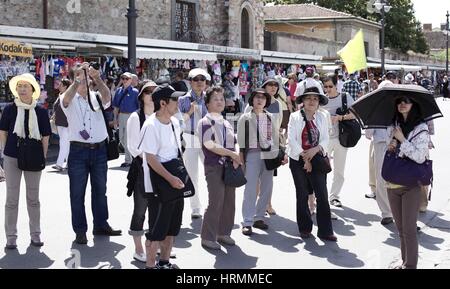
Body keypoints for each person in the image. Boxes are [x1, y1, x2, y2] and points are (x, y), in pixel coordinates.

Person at [61, 62, 121, 244]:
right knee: (77, 193)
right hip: (78, 151)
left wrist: (97, 78)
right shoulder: (68, 97)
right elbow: (65, 100)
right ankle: (80, 230)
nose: (83, 78)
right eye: (79, 75)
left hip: (100, 150)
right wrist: (77, 80)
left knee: (100, 191)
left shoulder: (95, 96)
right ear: (72, 78)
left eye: (85, 75)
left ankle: (101, 224)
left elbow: (108, 98)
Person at [0, 73, 51, 249]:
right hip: (12, 157)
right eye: (19, 86)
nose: (22, 89)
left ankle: (35, 234)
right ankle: (11, 237)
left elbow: (45, 137)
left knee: (33, 198)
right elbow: (3, 133)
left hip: (34, 158)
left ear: (33, 90)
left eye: (25, 86)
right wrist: (5, 154)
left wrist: (43, 157)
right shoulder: (9, 109)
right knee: (11, 199)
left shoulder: (41, 111)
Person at [140, 84, 185, 269]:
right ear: (163, 103)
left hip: (174, 181)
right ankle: (151, 265)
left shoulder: (174, 122)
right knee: (156, 231)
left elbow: (176, 152)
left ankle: (164, 263)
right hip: (159, 184)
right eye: (174, 99)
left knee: (172, 227)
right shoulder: (151, 125)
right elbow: (150, 158)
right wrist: (171, 179)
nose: (178, 103)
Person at [384, 95, 431, 269]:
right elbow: (391, 152)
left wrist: (402, 139)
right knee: (401, 229)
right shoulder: (394, 126)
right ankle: (405, 263)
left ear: (413, 105)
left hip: (411, 184)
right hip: (393, 183)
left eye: (406, 101)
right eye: (399, 101)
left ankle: (410, 265)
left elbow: (419, 157)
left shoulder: (421, 129)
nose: (402, 104)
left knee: (409, 230)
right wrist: (391, 145)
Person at [287, 85, 337, 242]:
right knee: (302, 194)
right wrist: (305, 157)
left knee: (322, 195)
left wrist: (315, 150)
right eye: (308, 98)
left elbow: (326, 138)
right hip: (298, 159)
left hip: (317, 158)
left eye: (315, 98)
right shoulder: (295, 117)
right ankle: (304, 227)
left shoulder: (322, 117)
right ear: (302, 100)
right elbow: (292, 139)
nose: (312, 101)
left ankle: (325, 231)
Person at [238, 88, 287, 236]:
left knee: (267, 188)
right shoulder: (245, 117)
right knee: (250, 189)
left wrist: (281, 154)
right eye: (257, 97)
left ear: (266, 102)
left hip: (269, 155)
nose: (260, 100)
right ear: (252, 100)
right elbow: (241, 141)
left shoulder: (271, 116)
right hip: (252, 155)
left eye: (263, 98)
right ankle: (247, 221)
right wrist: (241, 159)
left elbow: (277, 137)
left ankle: (259, 217)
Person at [197, 86, 241, 250]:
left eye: (221, 99)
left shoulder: (226, 122)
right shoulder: (204, 121)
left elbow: (233, 143)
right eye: (215, 99)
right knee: (216, 200)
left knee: (229, 201)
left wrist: (235, 157)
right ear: (207, 103)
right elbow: (210, 145)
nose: (219, 102)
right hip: (214, 166)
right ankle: (208, 236)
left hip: (229, 166)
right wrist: (232, 155)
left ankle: (224, 233)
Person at [126, 80, 157, 263]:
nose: (151, 95)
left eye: (154, 91)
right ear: (142, 96)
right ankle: (138, 248)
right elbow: (133, 146)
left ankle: (154, 247)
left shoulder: (162, 116)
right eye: (148, 92)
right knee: (140, 209)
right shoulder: (135, 117)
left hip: (160, 169)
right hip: (142, 168)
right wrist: (151, 157)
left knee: (158, 209)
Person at [178, 68, 210, 219]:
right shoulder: (182, 100)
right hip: (189, 137)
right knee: (192, 174)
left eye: (202, 80)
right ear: (190, 82)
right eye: (196, 79)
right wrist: (190, 112)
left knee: (212, 171)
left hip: (207, 138)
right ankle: (195, 207)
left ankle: (213, 204)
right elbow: (178, 121)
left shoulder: (210, 98)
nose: (199, 82)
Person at [322, 74, 356, 208]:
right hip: (324, 139)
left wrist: (340, 118)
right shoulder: (322, 100)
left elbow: (355, 114)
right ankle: (322, 196)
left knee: (339, 170)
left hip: (341, 138)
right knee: (322, 169)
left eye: (330, 86)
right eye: (325, 87)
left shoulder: (345, 97)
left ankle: (334, 196)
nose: (328, 89)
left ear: (336, 85)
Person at [113, 72, 139, 168]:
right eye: (123, 78)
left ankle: (128, 160)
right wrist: (115, 119)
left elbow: (139, 106)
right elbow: (115, 107)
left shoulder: (135, 92)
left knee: (128, 138)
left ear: (131, 80)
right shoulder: (119, 91)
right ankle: (131, 156)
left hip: (131, 116)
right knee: (121, 138)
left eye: (126, 79)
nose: (124, 80)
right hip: (121, 115)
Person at [52, 78, 72, 171]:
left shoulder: (68, 96)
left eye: (61, 85)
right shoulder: (60, 95)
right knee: (65, 144)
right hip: (60, 123)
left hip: (66, 123)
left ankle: (59, 164)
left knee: (64, 143)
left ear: (66, 86)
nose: (59, 86)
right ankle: (68, 163)